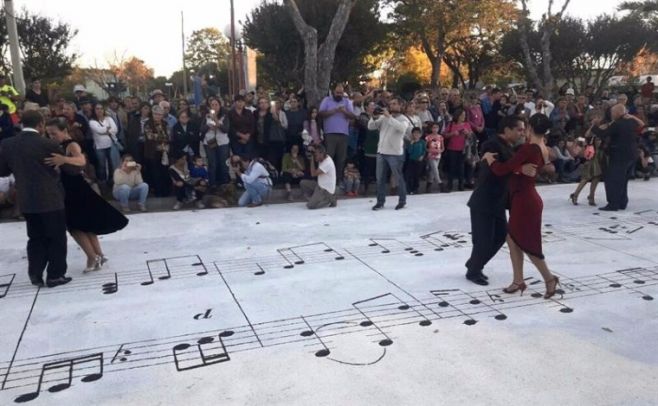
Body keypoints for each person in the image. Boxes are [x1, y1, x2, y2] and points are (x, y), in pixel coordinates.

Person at [482, 114, 560, 299]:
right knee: (513, 239)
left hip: (525, 200)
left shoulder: (528, 148)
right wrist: (518, 169)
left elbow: (503, 169)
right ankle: (518, 280)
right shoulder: (542, 147)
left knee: (527, 244)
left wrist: (490, 160)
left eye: (526, 127)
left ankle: (549, 278)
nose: (523, 130)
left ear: (531, 128)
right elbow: (520, 169)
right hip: (525, 198)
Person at [45, 119, 128, 272]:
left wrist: (64, 159)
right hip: (70, 189)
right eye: (48, 134)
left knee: (75, 227)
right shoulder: (59, 145)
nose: (51, 136)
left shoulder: (71, 144)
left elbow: (81, 160)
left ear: (64, 131)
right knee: (85, 225)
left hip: (75, 189)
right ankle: (98, 255)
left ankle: (92, 256)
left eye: (54, 133)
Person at [0, 111, 72, 287]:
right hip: (50, 198)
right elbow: (67, 169)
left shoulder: (7, 144)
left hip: (27, 199)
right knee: (56, 238)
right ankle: (55, 275)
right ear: (41, 124)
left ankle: (35, 273)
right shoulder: (48, 144)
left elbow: (2, 171)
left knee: (35, 237)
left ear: (22, 124)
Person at [464, 116, 536, 286]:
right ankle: (473, 271)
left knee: (499, 237)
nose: (521, 133)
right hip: (484, 200)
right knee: (483, 240)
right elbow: (499, 169)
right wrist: (519, 169)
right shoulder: (492, 145)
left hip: (498, 201)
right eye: (519, 129)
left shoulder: (511, 147)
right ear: (507, 130)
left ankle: (474, 263)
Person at [592, 104, 639, 211]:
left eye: (613, 112)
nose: (611, 115)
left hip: (619, 155)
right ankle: (622, 202)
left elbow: (603, 134)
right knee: (623, 180)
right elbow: (641, 125)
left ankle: (613, 204)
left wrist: (594, 126)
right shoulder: (631, 122)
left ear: (618, 113)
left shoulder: (617, 124)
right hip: (631, 154)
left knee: (613, 180)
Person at [368, 98, 410, 210]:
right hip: (381, 152)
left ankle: (402, 200)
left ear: (400, 106)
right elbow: (371, 127)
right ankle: (380, 201)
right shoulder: (384, 118)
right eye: (390, 104)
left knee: (398, 178)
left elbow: (401, 129)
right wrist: (372, 116)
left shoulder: (403, 119)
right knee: (380, 178)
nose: (392, 106)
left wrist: (389, 117)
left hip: (395, 154)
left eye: (394, 104)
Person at [319, 84, 356, 180]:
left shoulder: (347, 102)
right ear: (333, 92)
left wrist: (344, 111)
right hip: (330, 133)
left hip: (343, 134)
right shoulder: (327, 100)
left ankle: (339, 179)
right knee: (328, 157)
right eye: (337, 92)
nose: (339, 94)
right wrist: (334, 111)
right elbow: (321, 113)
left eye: (341, 93)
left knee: (341, 158)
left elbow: (352, 116)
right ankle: (327, 178)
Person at [201, 97, 230, 187]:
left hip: (222, 143)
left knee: (223, 163)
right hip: (210, 142)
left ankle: (224, 183)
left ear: (220, 106)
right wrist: (208, 126)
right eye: (212, 105)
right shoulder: (206, 116)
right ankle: (212, 184)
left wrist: (217, 122)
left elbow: (226, 129)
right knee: (212, 164)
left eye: (216, 105)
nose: (214, 106)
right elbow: (201, 129)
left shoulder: (225, 116)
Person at [143, 105, 171, 197]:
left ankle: (166, 192)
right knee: (155, 173)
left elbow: (169, 136)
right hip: (152, 152)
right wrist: (161, 137)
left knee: (164, 172)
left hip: (164, 152)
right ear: (153, 114)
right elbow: (150, 137)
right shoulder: (147, 123)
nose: (158, 116)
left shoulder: (165, 123)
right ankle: (158, 192)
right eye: (156, 114)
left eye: (160, 114)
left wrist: (160, 137)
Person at [570, 131, 604, 206]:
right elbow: (579, 139)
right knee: (585, 179)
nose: (600, 141)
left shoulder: (598, 147)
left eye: (600, 140)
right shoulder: (588, 144)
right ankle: (575, 195)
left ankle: (591, 196)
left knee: (595, 179)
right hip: (589, 163)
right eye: (598, 140)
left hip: (597, 164)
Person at [89, 103, 121, 183]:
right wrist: (108, 129)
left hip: (111, 145)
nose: (99, 110)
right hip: (99, 147)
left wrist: (104, 130)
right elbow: (99, 131)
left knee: (112, 164)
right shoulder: (92, 121)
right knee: (102, 165)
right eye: (97, 108)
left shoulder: (109, 118)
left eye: (101, 108)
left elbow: (115, 129)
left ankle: (112, 181)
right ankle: (103, 182)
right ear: (94, 110)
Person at [443, 108, 473, 191]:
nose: (463, 117)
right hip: (452, 148)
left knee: (461, 167)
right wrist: (453, 133)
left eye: (464, 115)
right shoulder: (451, 124)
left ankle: (461, 185)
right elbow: (445, 135)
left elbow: (471, 136)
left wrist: (467, 133)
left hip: (463, 149)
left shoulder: (467, 124)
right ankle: (450, 185)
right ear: (458, 116)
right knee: (451, 167)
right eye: (462, 115)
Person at [300, 144, 337, 209]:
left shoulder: (327, 163)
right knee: (303, 183)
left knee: (310, 206)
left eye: (316, 155)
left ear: (321, 153)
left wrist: (311, 159)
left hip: (325, 190)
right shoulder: (322, 156)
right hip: (320, 185)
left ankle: (329, 200)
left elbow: (313, 174)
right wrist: (311, 147)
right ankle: (315, 198)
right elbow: (317, 147)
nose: (314, 156)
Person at [404, 127, 426, 195]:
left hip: (419, 161)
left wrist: (422, 156)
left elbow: (424, 150)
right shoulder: (411, 142)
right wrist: (411, 144)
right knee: (410, 175)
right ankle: (409, 189)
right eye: (414, 133)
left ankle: (415, 188)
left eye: (418, 133)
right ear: (412, 134)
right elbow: (409, 151)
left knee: (416, 175)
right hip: (411, 160)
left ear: (420, 134)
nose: (416, 134)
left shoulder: (422, 142)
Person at [425, 122, 445, 193]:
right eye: (433, 127)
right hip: (431, 155)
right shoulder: (428, 137)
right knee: (435, 169)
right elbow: (425, 147)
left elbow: (443, 147)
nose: (435, 129)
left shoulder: (440, 137)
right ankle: (440, 184)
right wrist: (429, 150)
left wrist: (441, 151)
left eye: (436, 127)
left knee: (433, 171)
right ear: (431, 128)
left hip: (438, 155)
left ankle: (428, 184)